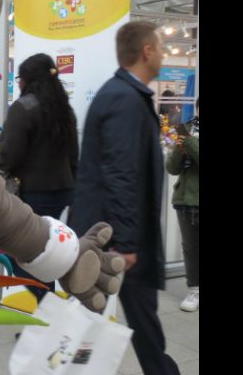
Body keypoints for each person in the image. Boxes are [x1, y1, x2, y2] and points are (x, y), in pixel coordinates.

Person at [69, 21, 181, 375]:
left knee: (130, 319)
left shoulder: (125, 94)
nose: (163, 54)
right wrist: (128, 243)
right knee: (110, 320)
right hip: (115, 238)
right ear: (147, 51)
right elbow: (121, 174)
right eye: (161, 47)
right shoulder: (124, 99)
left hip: (114, 233)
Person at [0, 53, 78, 304]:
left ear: (28, 80)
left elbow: (9, 156)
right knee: (44, 253)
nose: (18, 83)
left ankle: (49, 307)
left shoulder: (23, 108)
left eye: (19, 78)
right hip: (62, 191)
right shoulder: (64, 110)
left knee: (20, 255)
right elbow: (74, 156)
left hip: (32, 193)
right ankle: (49, 308)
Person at [166, 97, 199, 312]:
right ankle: (194, 289)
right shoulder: (186, 129)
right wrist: (180, 146)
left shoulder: (187, 135)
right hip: (186, 199)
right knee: (190, 248)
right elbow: (172, 168)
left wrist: (188, 142)